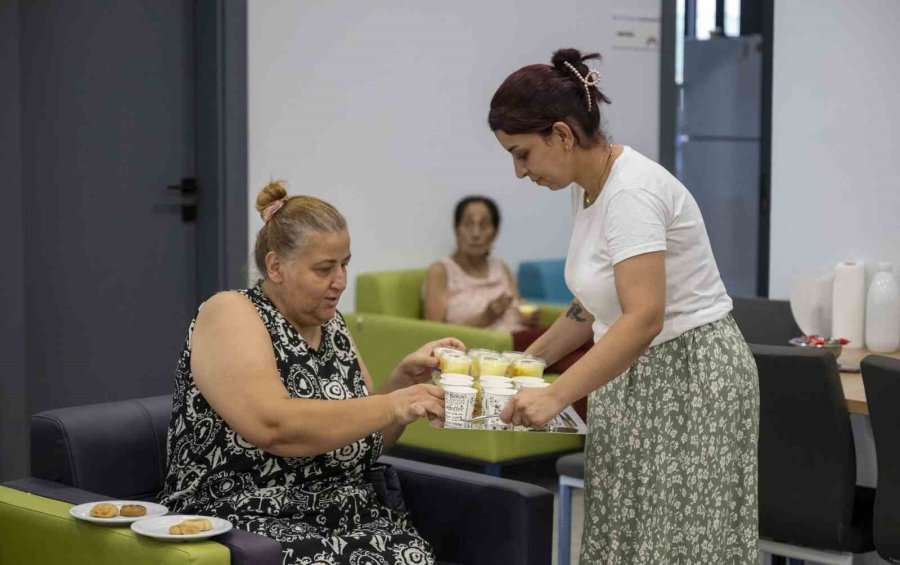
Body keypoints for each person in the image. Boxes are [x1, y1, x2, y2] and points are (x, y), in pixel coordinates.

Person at [488, 48, 759, 563]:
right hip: (636, 373)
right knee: (624, 531)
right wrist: (528, 363)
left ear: (562, 135)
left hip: (690, 376)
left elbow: (644, 317)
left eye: (522, 153)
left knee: (674, 541)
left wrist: (555, 394)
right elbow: (594, 303)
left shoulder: (632, 192)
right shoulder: (588, 188)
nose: (520, 172)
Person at [158, 181, 460, 565]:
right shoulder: (230, 311)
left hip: (341, 513)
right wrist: (394, 404)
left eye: (345, 264)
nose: (340, 282)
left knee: (411, 555)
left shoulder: (332, 325)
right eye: (324, 269)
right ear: (275, 266)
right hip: (242, 515)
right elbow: (275, 426)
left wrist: (405, 382)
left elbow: (362, 444)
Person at [423, 195, 535, 332]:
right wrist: (484, 319)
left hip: (523, 340)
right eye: (468, 224)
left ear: (495, 232)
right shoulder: (440, 270)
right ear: (456, 229)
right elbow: (432, 331)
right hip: (483, 348)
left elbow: (520, 307)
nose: (476, 234)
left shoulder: (501, 267)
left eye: (484, 225)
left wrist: (527, 318)